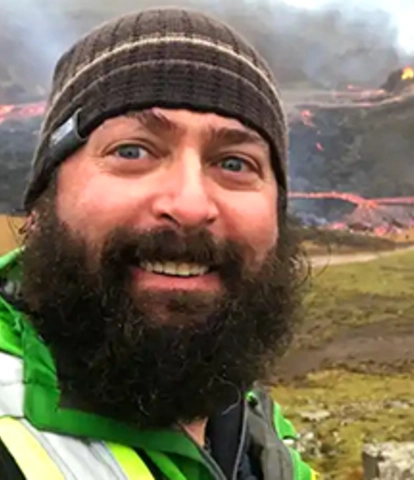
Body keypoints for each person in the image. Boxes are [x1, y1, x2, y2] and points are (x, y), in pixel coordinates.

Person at [0, 7, 317, 480]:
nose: (190, 205)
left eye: (234, 163)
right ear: (44, 201)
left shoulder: (249, 425)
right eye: (132, 151)